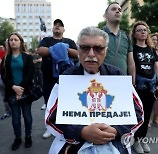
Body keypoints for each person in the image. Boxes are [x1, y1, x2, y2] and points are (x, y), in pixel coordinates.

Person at [45, 26, 143, 154]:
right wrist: (82, 132)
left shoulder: (117, 76)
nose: (91, 54)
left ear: (106, 51)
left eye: (98, 48)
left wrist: (116, 130)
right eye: (85, 48)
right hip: (74, 144)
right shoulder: (66, 79)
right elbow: (51, 118)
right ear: (78, 50)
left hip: (113, 142)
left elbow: (138, 113)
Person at [37, 19, 78, 138]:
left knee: (66, 102)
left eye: (60, 25)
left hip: (66, 79)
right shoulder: (46, 40)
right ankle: (50, 127)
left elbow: (76, 53)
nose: (57, 27)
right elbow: (40, 51)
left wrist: (62, 47)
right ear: (52, 28)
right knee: (49, 102)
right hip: (49, 78)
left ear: (64, 30)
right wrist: (59, 48)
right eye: (56, 25)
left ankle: (66, 126)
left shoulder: (69, 41)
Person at [130, 21, 158, 153]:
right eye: (139, 30)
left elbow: (156, 67)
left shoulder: (151, 49)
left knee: (147, 114)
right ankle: (135, 140)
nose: (143, 32)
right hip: (138, 86)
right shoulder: (132, 49)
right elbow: (131, 67)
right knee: (139, 115)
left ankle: (142, 139)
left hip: (151, 87)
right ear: (135, 34)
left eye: (145, 30)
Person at [0, 32, 34, 150]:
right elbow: (4, 76)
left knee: (27, 117)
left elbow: (30, 75)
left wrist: (21, 90)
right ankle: (18, 138)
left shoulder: (28, 57)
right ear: (8, 43)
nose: (13, 41)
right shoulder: (5, 59)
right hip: (11, 92)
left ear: (20, 42)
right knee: (15, 119)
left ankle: (28, 136)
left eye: (15, 39)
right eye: (11, 40)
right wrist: (14, 88)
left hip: (26, 92)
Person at [103, 2, 135, 85]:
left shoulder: (126, 36)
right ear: (106, 15)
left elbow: (131, 62)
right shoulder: (98, 34)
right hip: (102, 81)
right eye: (114, 9)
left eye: (120, 10)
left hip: (122, 82)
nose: (117, 11)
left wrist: (132, 83)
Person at [0, 44, 11, 119]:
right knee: (4, 95)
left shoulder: (8, 54)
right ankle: (8, 110)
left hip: (8, 77)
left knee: (10, 94)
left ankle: (12, 110)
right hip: (1, 76)